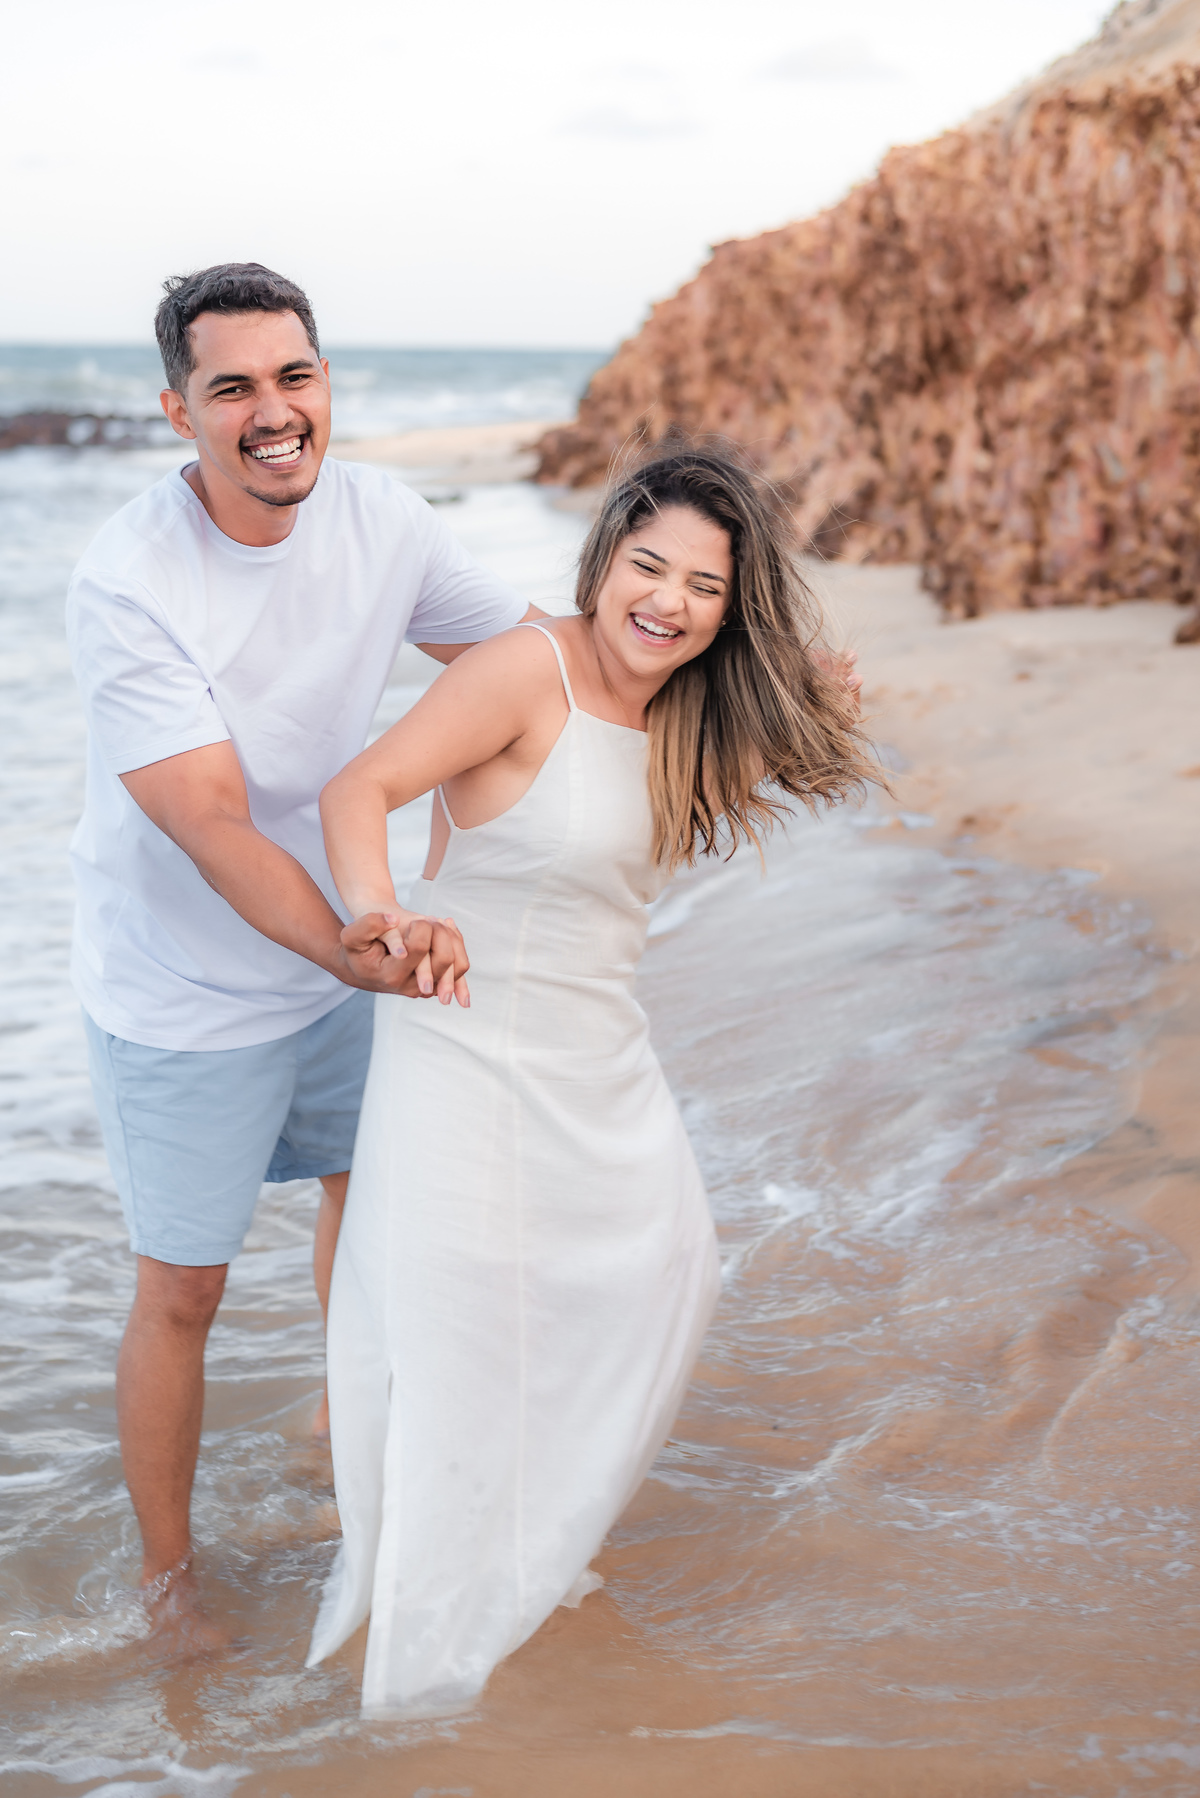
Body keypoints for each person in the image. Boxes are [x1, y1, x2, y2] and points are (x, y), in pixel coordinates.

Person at [308, 447, 876, 1716]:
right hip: (458, 1039)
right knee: (467, 1331)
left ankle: (535, 1545)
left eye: (705, 586)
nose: (667, 601)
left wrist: (818, 709)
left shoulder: (690, 712)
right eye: (649, 567)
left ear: (735, 608)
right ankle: (436, 1646)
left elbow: (684, 807)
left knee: (669, 1272)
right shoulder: (524, 668)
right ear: (604, 560)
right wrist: (379, 913)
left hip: (597, 1053)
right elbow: (363, 787)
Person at [66, 262, 544, 1632]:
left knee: (363, 1191)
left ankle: (344, 1424)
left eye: (296, 376)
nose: (275, 413)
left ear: (325, 380)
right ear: (178, 411)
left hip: (347, 926)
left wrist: (739, 657)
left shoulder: (382, 515)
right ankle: (171, 1582)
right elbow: (211, 819)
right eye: (234, 388)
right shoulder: (128, 582)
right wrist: (352, 944)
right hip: (185, 983)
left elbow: (525, 654)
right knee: (185, 1289)